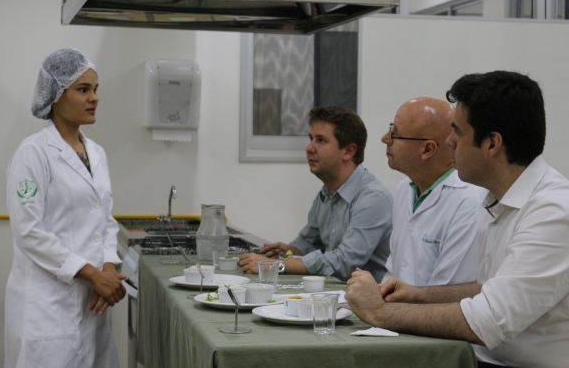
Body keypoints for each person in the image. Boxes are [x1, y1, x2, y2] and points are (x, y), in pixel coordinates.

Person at [345, 71, 569, 368]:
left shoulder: (554, 212)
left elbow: (488, 319)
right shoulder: (496, 198)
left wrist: (380, 313)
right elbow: (488, 289)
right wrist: (419, 295)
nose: (449, 142)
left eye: (458, 132)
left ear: (492, 143)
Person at [4, 48, 126, 368]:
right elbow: (29, 232)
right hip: (49, 306)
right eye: (83, 90)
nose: (94, 98)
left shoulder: (96, 154)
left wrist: (108, 270)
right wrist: (92, 275)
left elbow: (106, 221)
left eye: (95, 89)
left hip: (92, 303)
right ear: (56, 96)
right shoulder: (33, 154)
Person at [239, 106, 392, 282]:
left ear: (349, 151)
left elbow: (344, 263)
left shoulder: (373, 197)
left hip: (371, 295)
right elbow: (308, 242)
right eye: (311, 139)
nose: (309, 148)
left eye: (321, 140)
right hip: (338, 290)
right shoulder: (327, 192)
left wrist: (277, 265)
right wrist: (287, 251)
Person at [382, 97, 480, 286]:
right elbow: (394, 270)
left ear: (427, 149)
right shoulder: (405, 188)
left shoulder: (468, 201)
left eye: (395, 134)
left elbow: (447, 291)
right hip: (398, 303)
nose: (385, 139)